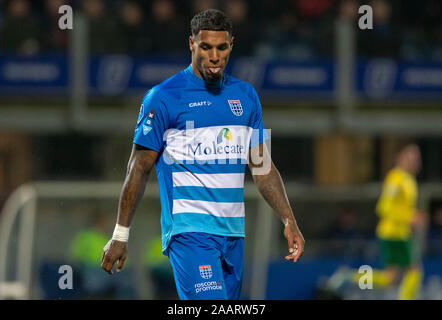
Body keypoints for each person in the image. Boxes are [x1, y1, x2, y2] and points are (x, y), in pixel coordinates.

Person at [101, 9, 305, 300]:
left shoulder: (246, 96)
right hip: (189, 232)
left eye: (221, 48)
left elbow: (262, 167)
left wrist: (288, 219)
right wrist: (120, 234)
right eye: (206, 47)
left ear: (231, 45)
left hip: (233, 233)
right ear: (191, 44)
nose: (214, 56)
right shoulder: (163, 97)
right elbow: (138, 167)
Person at [327, 144, 427, 300]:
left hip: (399, 233)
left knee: (391, 278)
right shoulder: (395, 178)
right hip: (394, 233)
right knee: (414, 271)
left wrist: (411, 216)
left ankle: (348, 276)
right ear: (399, 158)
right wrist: (409, 217)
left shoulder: (408, 180)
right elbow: (383, 207)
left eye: (417, 157)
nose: (415, 161)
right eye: (410, 157)